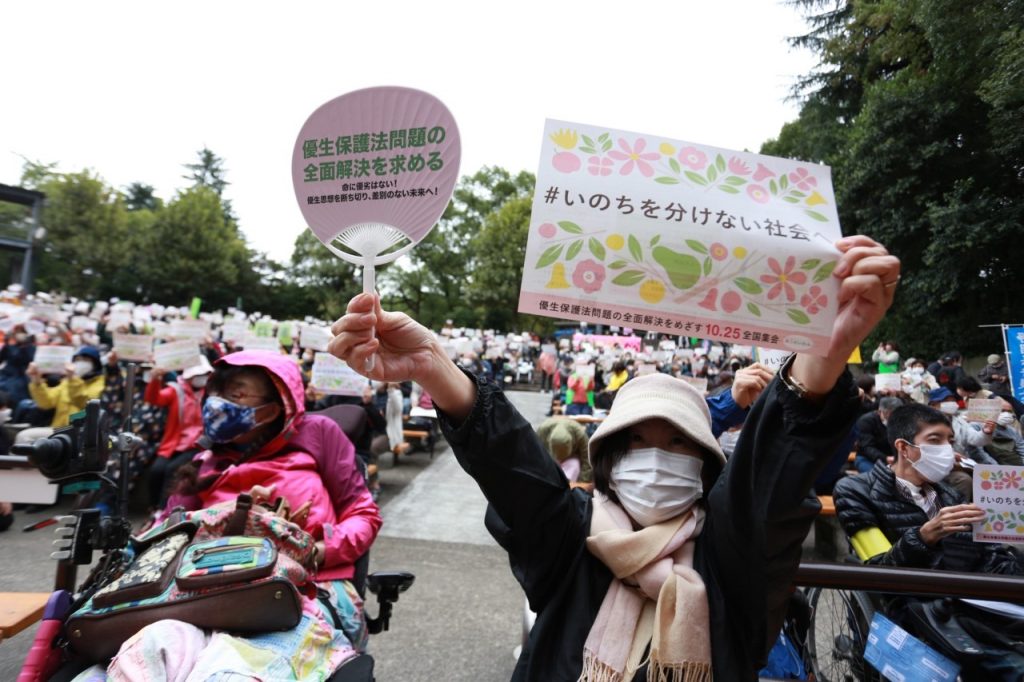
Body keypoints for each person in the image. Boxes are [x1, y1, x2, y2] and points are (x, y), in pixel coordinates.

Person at [329, 235, 899, 680]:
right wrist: (434, 364)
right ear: (606, 459)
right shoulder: (572, 539)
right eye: (637, 441)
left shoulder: (731, 550)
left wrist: (825, 350)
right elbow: (515, 470)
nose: (657, 457)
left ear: (706, 465)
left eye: (679, 443)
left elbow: (771, 473)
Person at [97, 350, 383, 680]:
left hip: (298, 591)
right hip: (199, 593)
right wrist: (225, 514)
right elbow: (166, 530)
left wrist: (312, 552)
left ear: (276, 407)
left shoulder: (319, 433)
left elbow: (364, 515)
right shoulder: (205, 459)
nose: (217, 402)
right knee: (145, 652)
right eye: (217, 391)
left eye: (235, 394)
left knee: (231, 671)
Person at [833, 402, 1024, 680]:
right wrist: (924, 536)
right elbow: (877, 572)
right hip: (923, 607)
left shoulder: (952, 494)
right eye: (934, 440)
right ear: (904, 447)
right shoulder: (856, 491)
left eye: (950, 441)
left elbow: (988, 557)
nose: (946, 449)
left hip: (976, 599)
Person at [144, 355, 212, 510]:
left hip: (197, 445)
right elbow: (155, 398)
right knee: (156, 471)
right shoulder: (177, 390)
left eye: (203, 374)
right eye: (197, 374)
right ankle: (153, 508)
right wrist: (155, 379)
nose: (200, 377)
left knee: (172, 471)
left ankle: (163, 510)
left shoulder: (209, 394)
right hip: (173, 444)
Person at [853, 396, 902, 474]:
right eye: (890, 414)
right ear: (880, 412)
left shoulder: (900, 421)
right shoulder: (866, 421)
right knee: (879, 477)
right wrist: (885, 458)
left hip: (894, 459)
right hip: (868, 459)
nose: (895, 418)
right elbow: (866, 447)